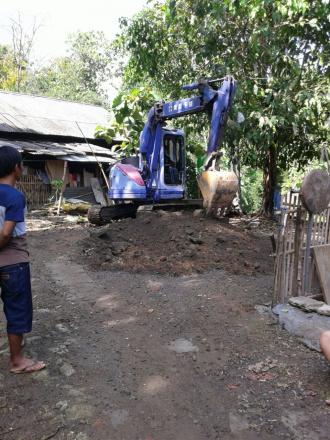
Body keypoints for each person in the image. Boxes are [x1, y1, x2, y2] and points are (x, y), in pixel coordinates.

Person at [0, 145, 45, 373]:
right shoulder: (15, 196)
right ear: (17, 168)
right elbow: (7, 233)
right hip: (12, 263)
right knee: (16, 309)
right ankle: (17, 361)